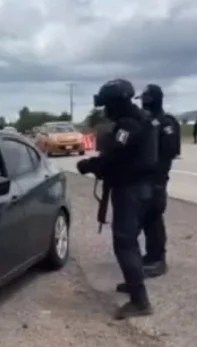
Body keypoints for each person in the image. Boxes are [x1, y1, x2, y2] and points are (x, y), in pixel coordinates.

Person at [76, 79, 159, 319]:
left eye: (107, 105)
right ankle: (134, 284)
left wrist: (89, 165)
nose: (106, 111)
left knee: (125, 243)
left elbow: (113, 157)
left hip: (132, 190)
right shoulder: (144, 119)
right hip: (146, 188)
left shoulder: (128, 126)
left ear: (117, 103)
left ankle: (140, 301)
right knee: (131, 241)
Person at [133, 83, 180, 280]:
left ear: (152, 99)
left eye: (145, 98)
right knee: (146, 219)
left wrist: (157, 173)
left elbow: (170, 152)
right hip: (144, 178)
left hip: (157, 178)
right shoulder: (145, 121)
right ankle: (151, 255)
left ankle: (159, 259)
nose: (142, 102)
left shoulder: (166, 122)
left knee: (154, 217)